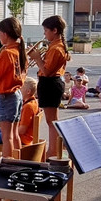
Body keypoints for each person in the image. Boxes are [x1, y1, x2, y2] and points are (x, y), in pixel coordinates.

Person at [28, 15, 70, 160]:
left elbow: (46, 71)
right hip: (51, 83)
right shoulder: (55, 46)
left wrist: (37, 58)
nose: (44, 34)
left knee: (51, 121)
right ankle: (55, 148)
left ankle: (53, 150)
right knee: (52, 120)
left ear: (55, 30)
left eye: (46, 30)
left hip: (50, 83)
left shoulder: (57, 48)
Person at [0, 17, 26, 160]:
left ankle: (8, 164)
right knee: (14, 134)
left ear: (5, 34)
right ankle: (19, 161)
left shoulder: (7, 52)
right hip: (16, 94)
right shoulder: (19, 50)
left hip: (6, 95)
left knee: (7, 137)